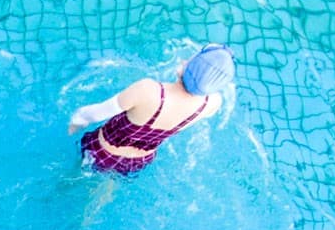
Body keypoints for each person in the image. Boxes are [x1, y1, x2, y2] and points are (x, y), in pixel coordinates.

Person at [70, 45, 232, 176]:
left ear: (189, 66)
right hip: (138, 161)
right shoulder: (212, 103)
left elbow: (94, 114)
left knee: (74, 176)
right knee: (110, 181)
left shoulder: (149, 91)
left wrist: (75, 123)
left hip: (102, 152)